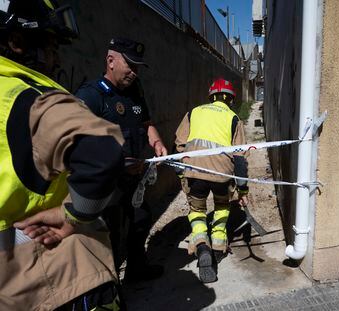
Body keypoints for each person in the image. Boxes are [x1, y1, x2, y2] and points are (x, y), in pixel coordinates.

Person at [0, 0, 127, 310]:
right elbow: (101, 152)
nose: (57, 58)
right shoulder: (30, 100)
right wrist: (73, 214)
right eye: (53, 46)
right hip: (53, 273)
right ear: (17, 42)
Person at [76, 37, 167, 282]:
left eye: (138, 67)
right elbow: (78, 145)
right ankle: (110, 289)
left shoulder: (135, 92)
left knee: (141, 219)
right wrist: (117, 163)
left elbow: (146, 124)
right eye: (131, 65)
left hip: (133, 181)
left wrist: (157, 142)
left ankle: (137, 268)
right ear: (111, 61)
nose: (135, 73)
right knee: (110, 236)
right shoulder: (92, 96)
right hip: (107, 185)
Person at [175, 78, 249, 283]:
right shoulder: (234, 118)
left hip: (195, 172)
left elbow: (179, 147)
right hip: (222, 175)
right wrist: (243, 189)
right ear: (230, 99)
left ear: (211, 97)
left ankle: (201, 245)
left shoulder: (194, 112)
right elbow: (240, 158)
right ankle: (218, 246)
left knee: (197, 211)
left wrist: (182, 174)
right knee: (222, 205)